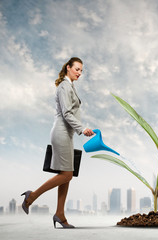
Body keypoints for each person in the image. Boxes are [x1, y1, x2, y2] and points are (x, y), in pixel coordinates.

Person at [21, 57, 94, 228]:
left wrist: (79, 129)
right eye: (77, 69)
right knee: (67, 174)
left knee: (67, 176)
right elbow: (67, 113)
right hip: (61, 133)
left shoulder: (70, 86)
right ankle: (31, 197)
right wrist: (82, 129)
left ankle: (60, 214)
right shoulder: (63, 86)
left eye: (81, 70)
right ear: (68, 68)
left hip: (67, 134)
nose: (80, 73)